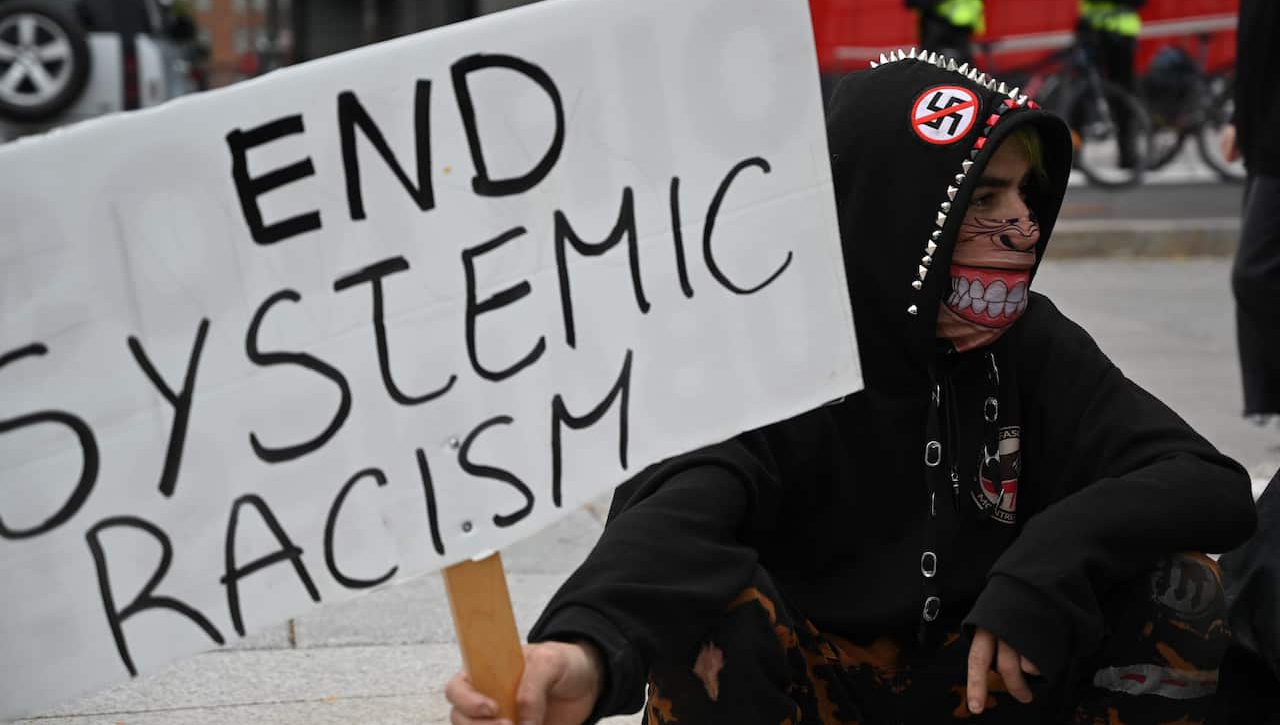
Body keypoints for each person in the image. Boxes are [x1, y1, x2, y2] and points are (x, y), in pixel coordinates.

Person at [446, 50, 1257, 724]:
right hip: (821, 695)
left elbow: (1207, 483)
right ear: (898, 212)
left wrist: (1049, 560)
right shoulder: (781, 352)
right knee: (717, 607)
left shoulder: (1032, 344)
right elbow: (676, 513)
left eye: (1028, 195)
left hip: (982, 686)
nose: (1023, 225)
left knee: (1181, 584)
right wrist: (583, 651)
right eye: (984, 197)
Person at [1206, 0, 1280, 722]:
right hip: (1269, 127)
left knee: (1257, 272)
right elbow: (1260, 22)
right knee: (1258, 274)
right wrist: (1242, 112)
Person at [1071, 0, 1147, 169]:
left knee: (1123, 99)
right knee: (1083, 99)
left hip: (1122, 45)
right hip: (1094, 41)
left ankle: (1127, 153)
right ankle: (1073, 154)